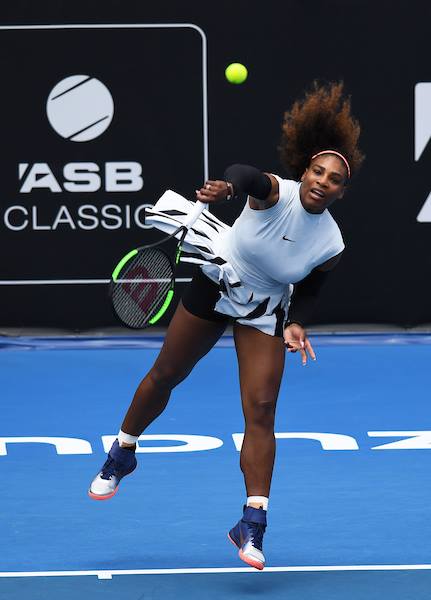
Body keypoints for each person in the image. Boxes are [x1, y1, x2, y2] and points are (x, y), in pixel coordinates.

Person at [88, 81, 364, 570]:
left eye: (334, 179)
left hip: (265, 308)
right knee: (167, 373)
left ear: (343, 190)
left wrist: (297, 324)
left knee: (262, 410)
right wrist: (229, 188)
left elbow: (311, 288)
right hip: (220, 281)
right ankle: (122, 452)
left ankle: (252, 523)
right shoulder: (276, 192)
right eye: (318, 171)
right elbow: (247, 175)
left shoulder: (332, 243)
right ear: (305, 171)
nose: (323, 181)